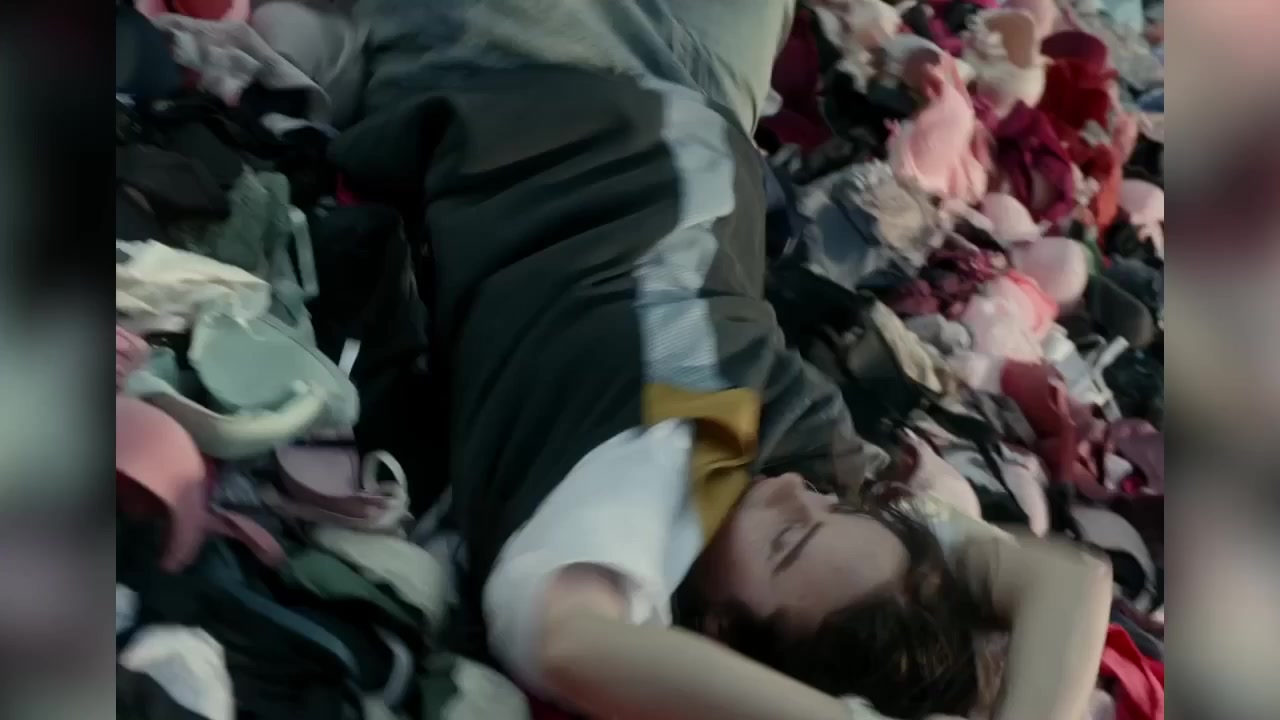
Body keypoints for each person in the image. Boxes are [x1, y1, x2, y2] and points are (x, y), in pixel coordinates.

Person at [334, 1, 1115, 718]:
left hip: (525, 58)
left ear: (719, 636)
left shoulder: (619, 517)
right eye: (836, 509)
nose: (796, 495)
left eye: (788, 542)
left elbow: (568, 645)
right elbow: (1072, 578)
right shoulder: (818, 476)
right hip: (704, 90)